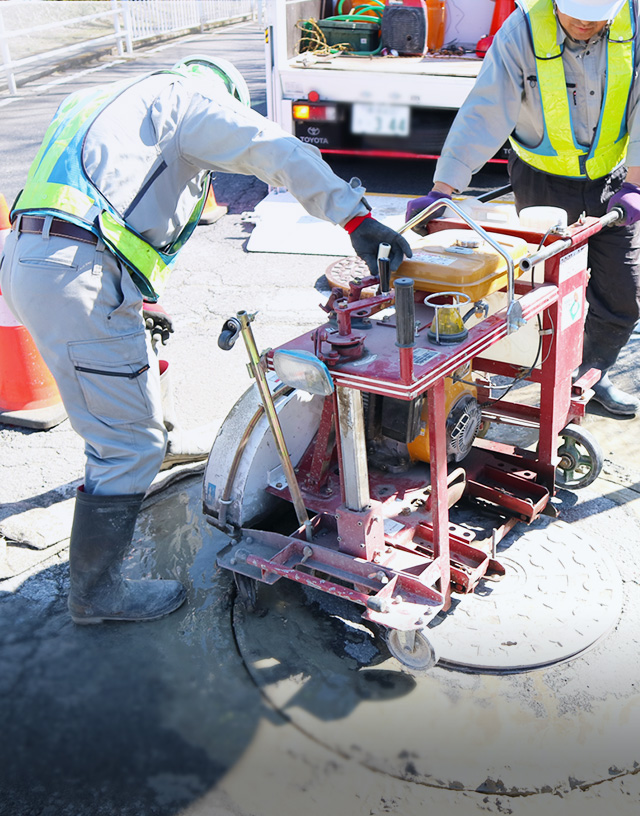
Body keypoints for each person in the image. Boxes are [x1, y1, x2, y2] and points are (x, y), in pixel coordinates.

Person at [0, 55, 411, 625]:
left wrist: (138, 293)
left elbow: (104, 195)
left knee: (124, 369)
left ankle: (147, 444)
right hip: (76, 273)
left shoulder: (102, 103)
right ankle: (96, 594)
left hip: (33, 259)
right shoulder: (187, 100)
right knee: (124, 446)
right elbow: (277, 151)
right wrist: (356, 219)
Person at [406, 0, 640, 417]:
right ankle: (538, 375)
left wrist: (637, 183)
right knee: (541, 292)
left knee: (624, 294)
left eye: (597, 14)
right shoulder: (523, 31)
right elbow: (485, 110)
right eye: (576, 13)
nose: (586, 22)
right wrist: (443, 189)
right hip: (543, 181)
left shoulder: (634, 21)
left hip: (615, 182)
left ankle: (592, 373)